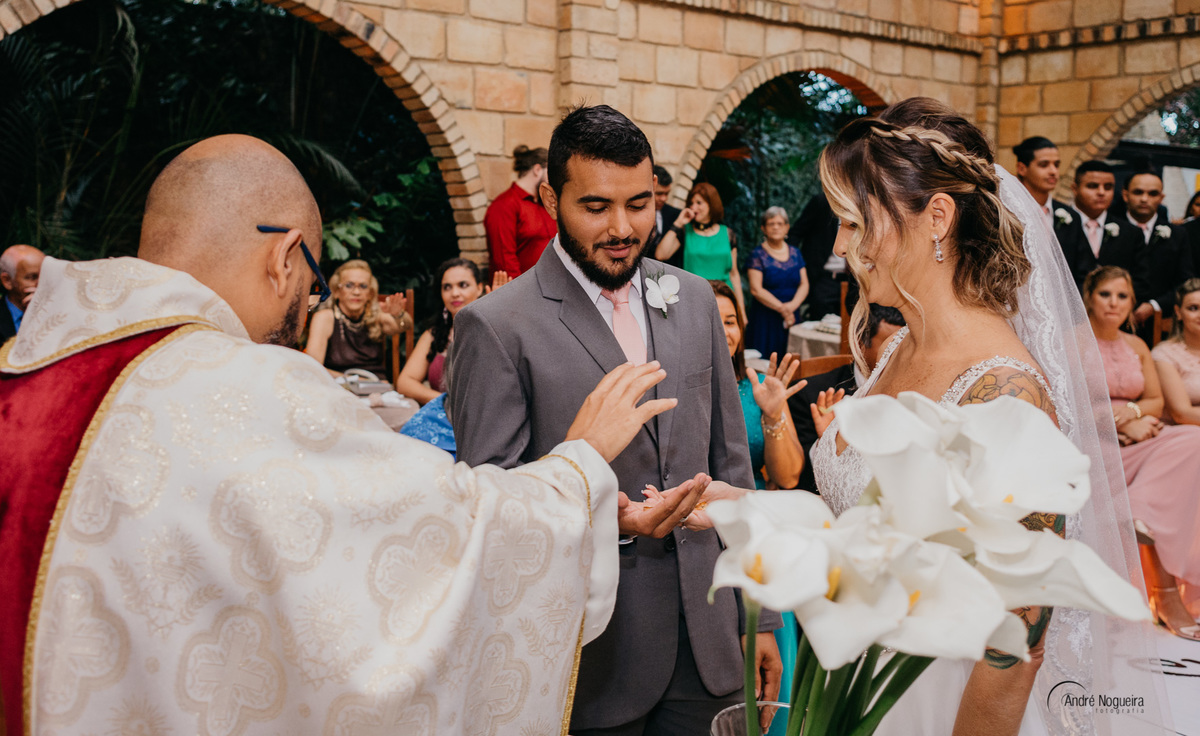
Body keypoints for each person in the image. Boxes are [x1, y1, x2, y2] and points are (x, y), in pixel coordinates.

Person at [0, 134, 709, 736]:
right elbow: (438, 546)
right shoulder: (248, 389)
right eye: (311, 281)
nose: (307, 299)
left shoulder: (23, 372)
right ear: (287, 259)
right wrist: (579, 466)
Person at [808, 98, 1168, 735]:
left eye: (853, 221)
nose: (840, 246)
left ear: (937, 217)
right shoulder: (895, 348)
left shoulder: (1005, 396)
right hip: (847, 690)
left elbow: (1016, 646)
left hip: (939, 706)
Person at [448, 105, 782, 736]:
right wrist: (606, 512)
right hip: (588, 654)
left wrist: (758, 619)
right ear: (551, 197)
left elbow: (733, 466)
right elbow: (490, 509)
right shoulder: (495, 325)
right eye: (596, 207)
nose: (623, 228)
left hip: (711, 640)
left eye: (640, 203)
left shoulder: (694, 302)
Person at [1085, 266, 1200, 636]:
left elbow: (1153, 399)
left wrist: (1135, 414)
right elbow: (1063, 401)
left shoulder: (1136, 346)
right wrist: (1116, 421)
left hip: (1137, 433)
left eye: (1122, 296)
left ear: (1132, 303)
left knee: (1191, 439)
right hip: (1090, 439)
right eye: (1106, 294)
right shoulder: (1071, 341)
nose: (1114, 303)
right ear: (1088, 297)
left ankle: (1138, 511)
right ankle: (1165, 596)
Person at [789, 302, 904, 493]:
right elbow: (795, 478)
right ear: (860, 342)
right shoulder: (810, 394)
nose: (899, 354)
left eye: (905, 346)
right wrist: (827, 442)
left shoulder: (914, 394)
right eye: (890, 345)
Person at [393, 258, 483, 405]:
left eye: (463, 285)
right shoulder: (434, 335)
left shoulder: (494, 332)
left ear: (479, 288)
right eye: (447, 287)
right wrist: (446, 403)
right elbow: (404, 382)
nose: (454, 293)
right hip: (441, 415)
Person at [303, 259, 409, 376]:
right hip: (338, 387)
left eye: (363, 286)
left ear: (370, 293)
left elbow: (405, 325)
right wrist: (355, 382)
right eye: (349, 285)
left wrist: (398, 315)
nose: (356, 292)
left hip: (378, 388)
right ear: (337, 291)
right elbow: (313, 367)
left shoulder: (374, 315)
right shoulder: (325, 317)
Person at [654, 182, 745, 316]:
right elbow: (661, 254)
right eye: (691, 203)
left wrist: (741, 310)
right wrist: (679, 223)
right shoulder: (686, 232)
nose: (694, 207)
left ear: (711, 204)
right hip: (694, 299)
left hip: (724, 300)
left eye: (699, 203)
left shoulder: (728, 234)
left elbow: (734, 274)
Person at [1123, 168, 1196, 333]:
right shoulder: (1112, 229)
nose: (1144, 199)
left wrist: (1154, 305)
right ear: (1125, 195)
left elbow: (1184, 281)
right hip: (1113, 319)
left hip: (1161, 323)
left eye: (1152, 193)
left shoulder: (1178, 234)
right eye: (1138, 192)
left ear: (1161, 197)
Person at [1052, 160, 1144, 290]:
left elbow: (1139, 280)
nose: (1101, 192)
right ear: (1075, 188)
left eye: (1108, 187)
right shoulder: (1055, 226)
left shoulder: (1131, 233)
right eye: (1092, 186)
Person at [483, 144, 557, 278]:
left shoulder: (545, 203)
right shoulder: (504, 205)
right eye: (550, 172)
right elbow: (504, 261)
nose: (554, 179)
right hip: (524, 292)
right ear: (537, 169)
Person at [746, 207, 808, 358]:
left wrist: (791, 307)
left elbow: (804, 284)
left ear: (787, 227)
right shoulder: (757, 254)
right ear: (763, 228)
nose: (775, 227)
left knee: (790, 359)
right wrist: (783, 309)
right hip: (766, 319)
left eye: (780, 223)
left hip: (792, 317)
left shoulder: (795, 253)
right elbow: (756, 290)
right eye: (771, 223)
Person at [1152, 277, 1200, 426]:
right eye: (1193, 308)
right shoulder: (1164, 354)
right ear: (1178, 312)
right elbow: (1181, 414)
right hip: (1181, 432)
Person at [789, 193, 845, 319]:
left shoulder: (865, 205)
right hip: (823, 278)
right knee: (819, 326)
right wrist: (794, 264)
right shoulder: (822, 202)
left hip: (852, 281)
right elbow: (796, 233)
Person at [1013, 136, 1066, 230]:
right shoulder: (1009, 212)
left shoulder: (1071, 216)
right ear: (1022, 169)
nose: (1053, 171)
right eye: (1044, 165)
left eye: (1056, 165)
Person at [0, 244, 44, 342]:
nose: (41, 283)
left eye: (44, 275)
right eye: (32, 277)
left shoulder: (56, 312)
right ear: (7, 281)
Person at [644, 165, 682, 267]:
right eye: (659, 194)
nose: (664, 198)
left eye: (667, 194)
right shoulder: (632, 213)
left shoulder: (676, 215)